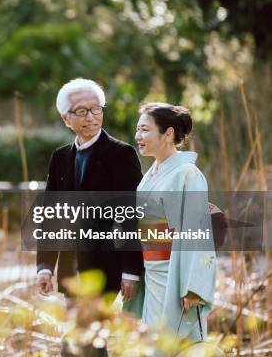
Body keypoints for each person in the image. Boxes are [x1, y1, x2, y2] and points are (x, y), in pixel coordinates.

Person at [36, 78, 144, 303]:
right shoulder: (60, 157)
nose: (91, 116)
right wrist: (45, 266)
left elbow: (131, 214)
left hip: (108, 270)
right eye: (82, 111)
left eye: (96, 109)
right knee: (76, 334)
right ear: (66, 118)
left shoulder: (122, 154)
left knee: (97, 334)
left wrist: (130, 269)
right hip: (70, 270)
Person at [125, 102, 217, 343]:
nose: (138, 136)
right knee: (151, 343)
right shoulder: (152, 173)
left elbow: (196, 231)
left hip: (174, 276)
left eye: (145, 130)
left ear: (168, 133)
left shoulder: (187, 174)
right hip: (152, 272)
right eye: (138, 129)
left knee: (175, 345)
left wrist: (193, 287)